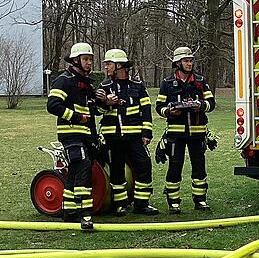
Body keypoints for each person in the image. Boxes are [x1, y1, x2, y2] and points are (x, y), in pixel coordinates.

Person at [46, 43, 103, 230]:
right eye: (86, 59)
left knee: (75, 169)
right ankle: (85, 213)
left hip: (86, 135)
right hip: (70, 134)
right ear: (76, 60)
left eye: (90, 59)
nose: (89, 63)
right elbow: (53, 105)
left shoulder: (87, 83)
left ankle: (69, 210)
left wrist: (105, 102)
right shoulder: (64, 80)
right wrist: (77, 117)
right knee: (83, 165)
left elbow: (94, 110)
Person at [97, 49, 159, 216]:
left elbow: (146, 111)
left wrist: (147, 132)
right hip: (113, 137)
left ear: (119, 66)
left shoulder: (137, 87)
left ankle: (142, 204)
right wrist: (106, 103)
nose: (106, 67)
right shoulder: (104, 87)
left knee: (144, 165)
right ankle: (120, 204)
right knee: (116, 170)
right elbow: (96, 110)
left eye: (108, 64)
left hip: (135, 137)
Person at [155, 47, 216, 213]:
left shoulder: (200, 81)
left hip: (197, 133)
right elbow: (159, 106)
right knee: (175, 167)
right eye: (186, 61)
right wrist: (168, 111)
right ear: (177, 63)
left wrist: (202, 105)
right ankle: (173, 202)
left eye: (190, 60)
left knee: (199, 167)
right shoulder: (167, 83)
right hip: (176, 134)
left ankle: (200, 200)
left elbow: (212, 103)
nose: (189, 63)